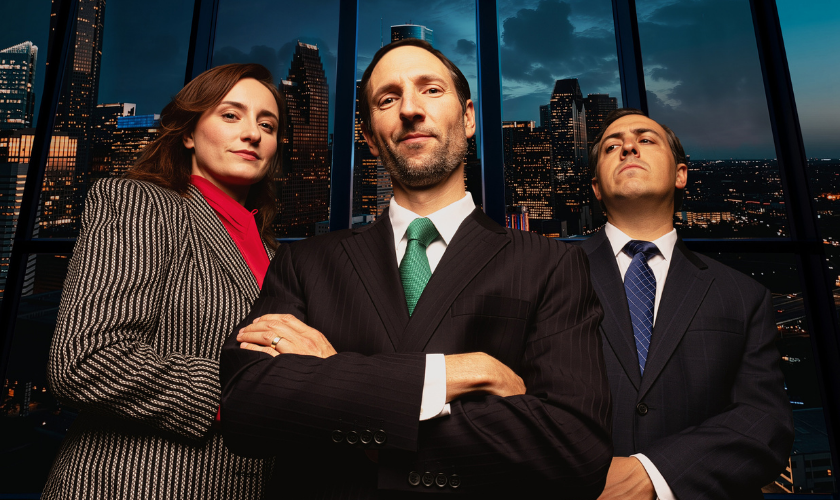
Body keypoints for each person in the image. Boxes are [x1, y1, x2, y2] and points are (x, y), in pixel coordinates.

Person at [220, 39, 612, 498]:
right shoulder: (305, 262)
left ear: (468, 118)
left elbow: (574, 446)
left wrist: (337, 379)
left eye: (430, 90)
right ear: (367, 136)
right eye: (388, 99)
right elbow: (249, 406)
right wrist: (450, 375)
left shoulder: (551, 263)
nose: (409, 108)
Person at [44, 63, 284, 499]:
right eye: (231, 115)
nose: (253, 133)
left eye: (267, 124)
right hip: (138, 484)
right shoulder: (143, 204)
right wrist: (248, 388)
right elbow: (85, 361)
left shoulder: (274, 251)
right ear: (189, 133)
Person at [580, 108, 795, 500]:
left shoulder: (743, 296)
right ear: (596, 187)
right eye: (612, 146)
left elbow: (765, 422)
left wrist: (652, 473)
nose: (628, 146)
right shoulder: (544, 275)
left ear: (681, 175)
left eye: (646, 140)